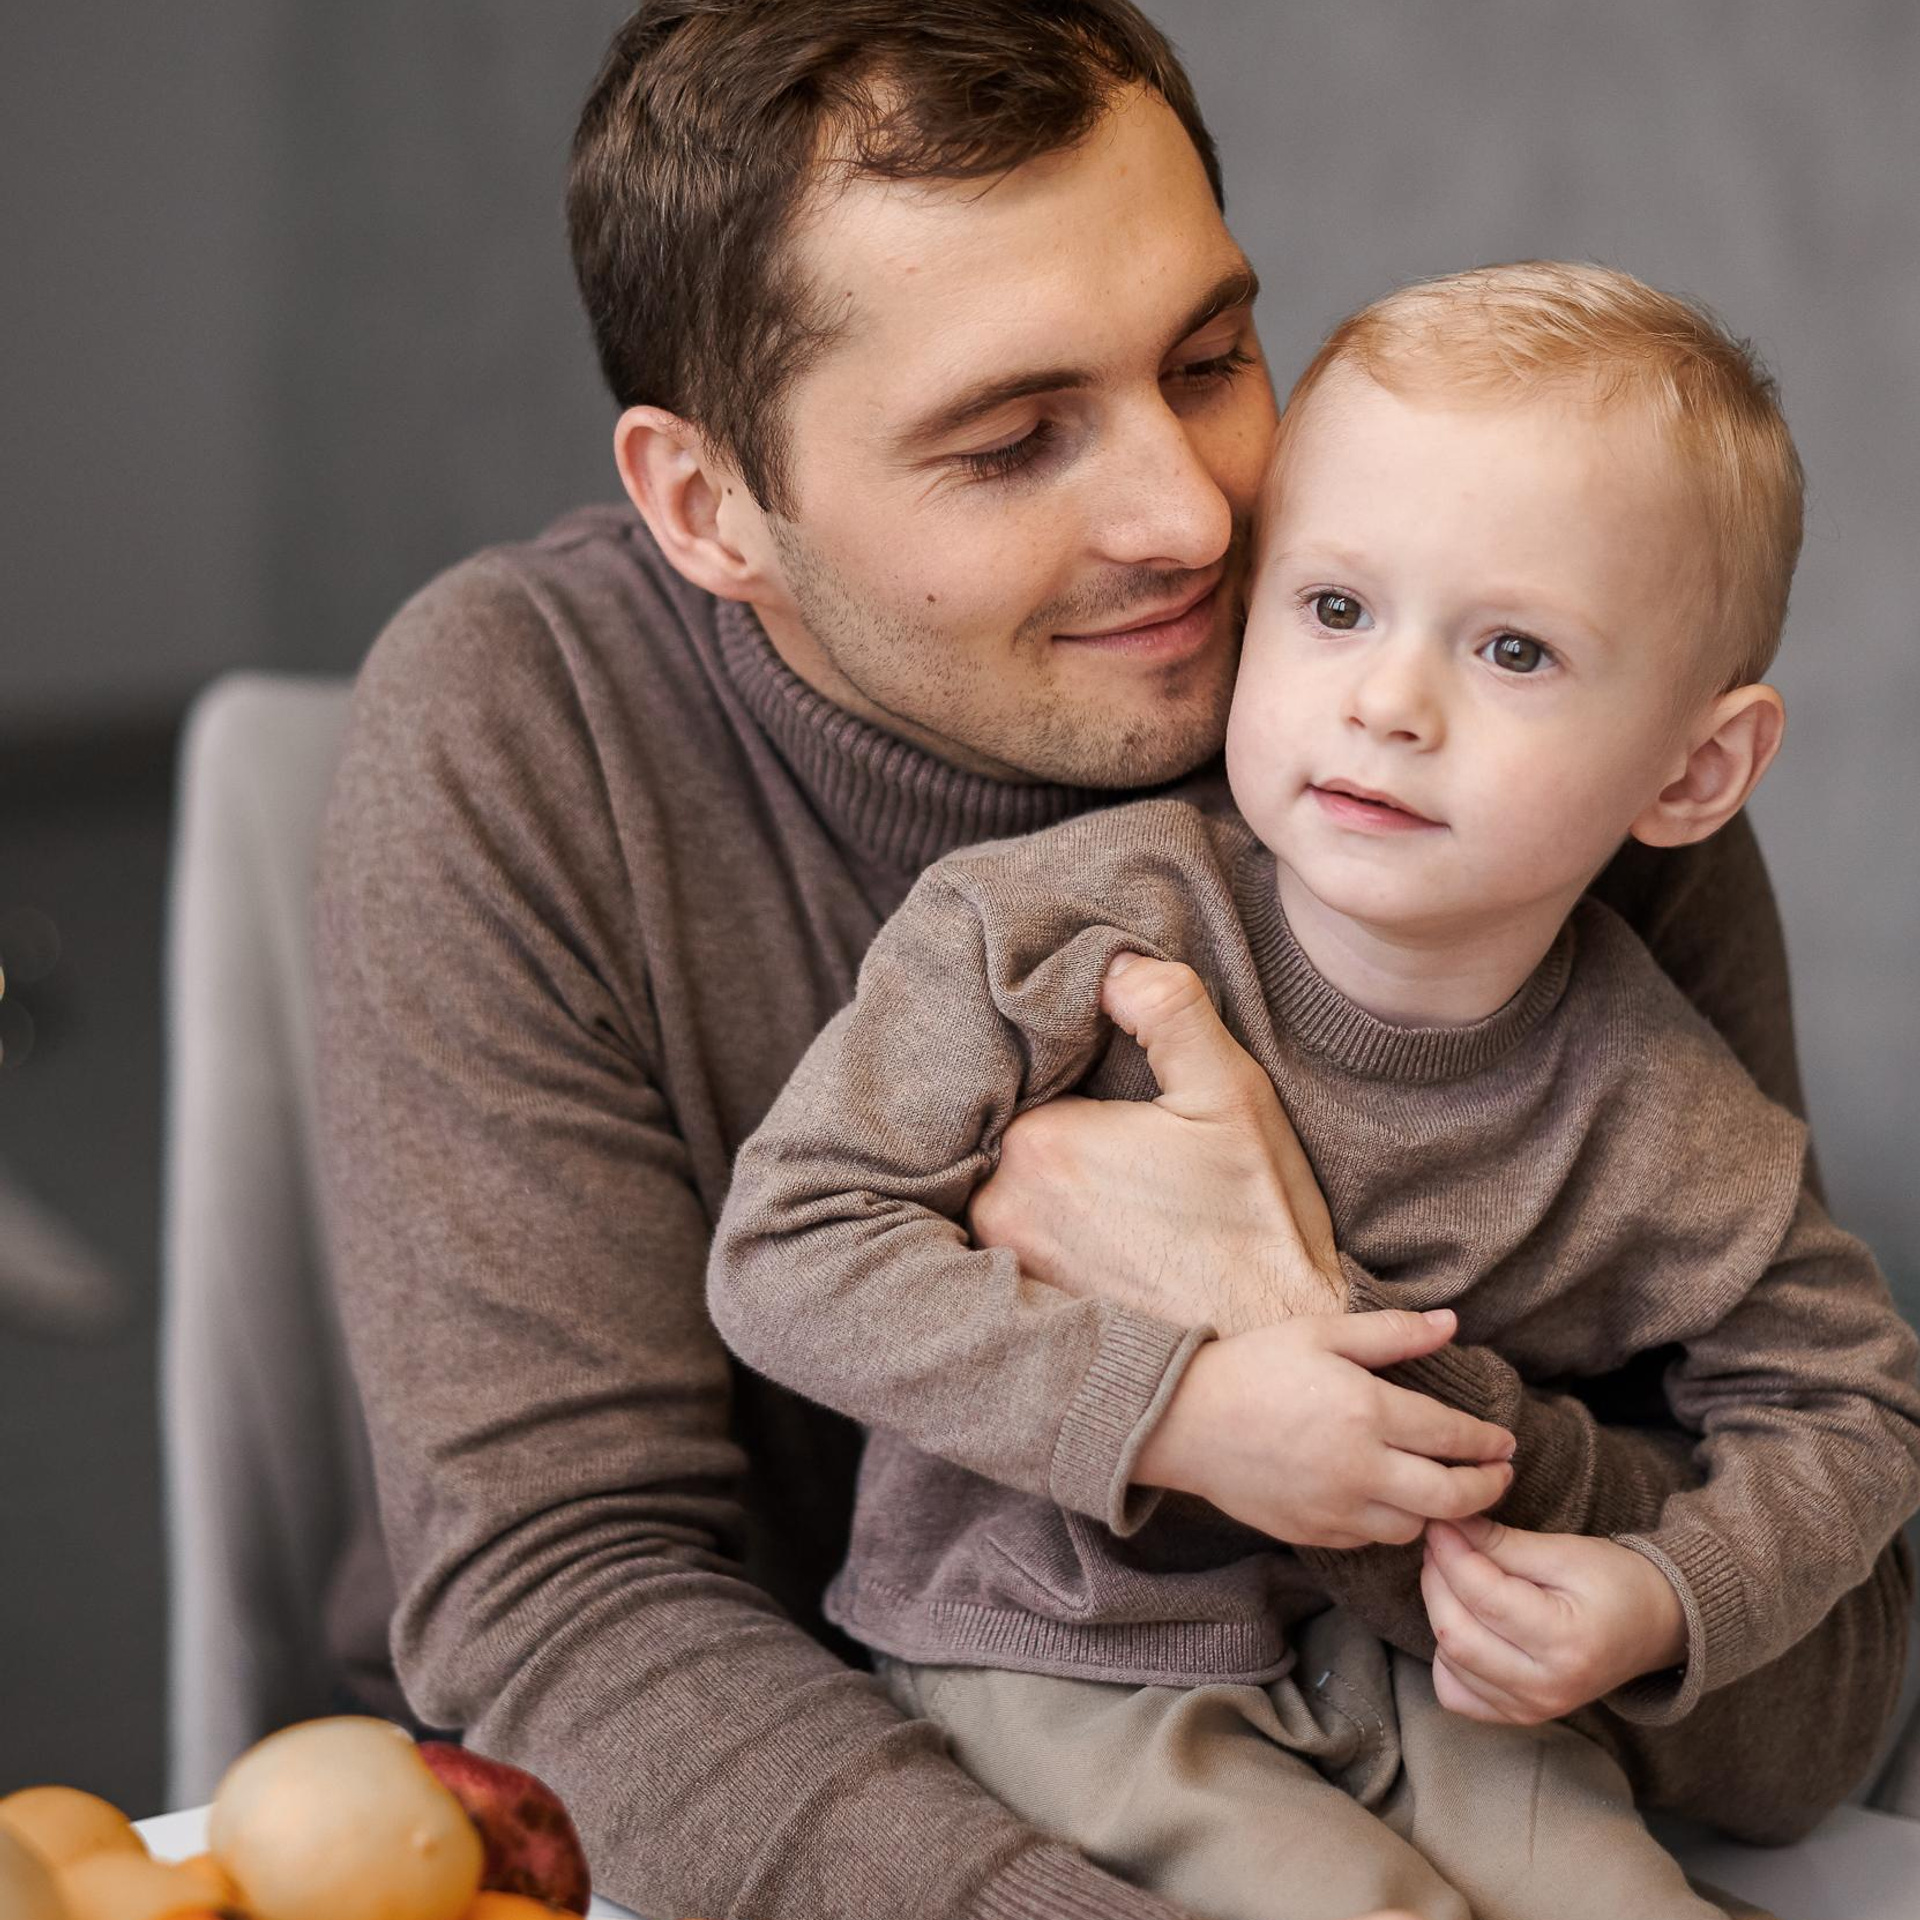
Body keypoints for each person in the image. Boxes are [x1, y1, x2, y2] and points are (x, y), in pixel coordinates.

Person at [313, 6, 1914, 1918]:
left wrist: (1287, 1325)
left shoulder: (1510, 753)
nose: (1194, 521)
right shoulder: (523, 729)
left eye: (1212, 359)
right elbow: (569, 1608)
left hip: (1400, 1754)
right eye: (1011, 443)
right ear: (708, 505)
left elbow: (1814, 1709)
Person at [706, 260, 1920, 1920]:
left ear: (1694, 770)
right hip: (1063, 1650)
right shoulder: (1061, 927)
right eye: (1337, 608)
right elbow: (789, 1247)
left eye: (1512, 648)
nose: (1388, 702)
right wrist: (1180, 1410)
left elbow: (1852, 1405)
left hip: (1432, 1671)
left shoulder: (1658, 1100)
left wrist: (1661, 1594)